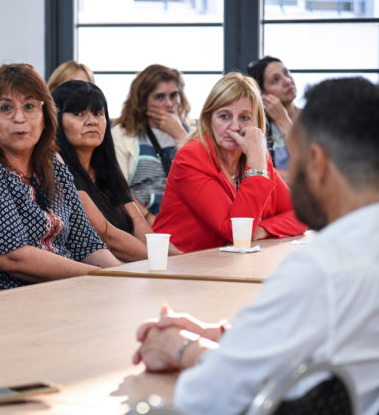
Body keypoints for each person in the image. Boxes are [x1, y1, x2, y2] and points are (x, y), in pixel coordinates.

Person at [133, 77, 379, 414]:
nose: (235, 127)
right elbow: (314, 334)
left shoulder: (320, 268)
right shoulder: (351, 256)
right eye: (224, 116)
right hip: (180, 276)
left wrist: (178, 346)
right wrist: (223, 335)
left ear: (317, 163)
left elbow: (212, 392)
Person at [0, 63, 120, 293]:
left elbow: (85, 242)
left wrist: (125, 275)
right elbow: (12, 258)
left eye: (30, 106)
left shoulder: (53, 162)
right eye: (6, 108)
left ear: (46, 117)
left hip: (61, 289)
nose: (19, 118)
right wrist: (101, 277)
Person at [152, 73, 306, 253]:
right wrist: (256, 164)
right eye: (224, 116)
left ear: (257, 122)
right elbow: (236, 232)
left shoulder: (256, 155)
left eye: (244, 118)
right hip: (177, 263)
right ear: (209, 119)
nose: (234, 127)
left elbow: (300, 215)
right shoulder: (191, 157)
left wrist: (262, 229)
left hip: (224, 262)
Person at [52, 80, 181, 261]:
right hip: (92, 271)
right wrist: (163, 262)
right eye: (79, 114)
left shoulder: (106, 169)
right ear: (56, 120)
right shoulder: (59, 170)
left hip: (128, 267)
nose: (92, 121)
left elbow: (141, 227)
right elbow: (108, 236)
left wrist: (183, 259)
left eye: (98, 114)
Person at [112, 64, 192, 224]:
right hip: (142, 222)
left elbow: (201, 179)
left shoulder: (192, 134)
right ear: (142, 102)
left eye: (174, 95)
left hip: (186, 222)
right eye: (159, 97)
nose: (169, 104)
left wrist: (180, 136)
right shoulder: (122, 135)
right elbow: (119, 189)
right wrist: (148, 219)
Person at [247, 56, 300, 181]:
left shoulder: (311, 118)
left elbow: (310, 169)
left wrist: (282, 120)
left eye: (286, 73)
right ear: (263, 94)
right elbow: (248, 170)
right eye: (275, 80)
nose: (287, 81)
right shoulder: (257, 127)